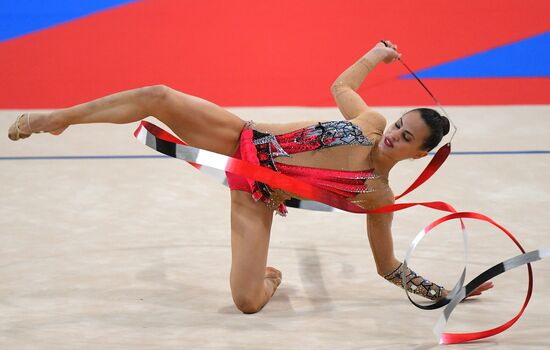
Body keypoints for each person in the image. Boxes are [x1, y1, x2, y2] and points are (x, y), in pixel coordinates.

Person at [8, 40, 493, 313]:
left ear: (418, 155)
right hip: (238, 137)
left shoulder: (375, 194)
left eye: (406, 139)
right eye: (401, 125)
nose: (394, 136)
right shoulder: (370, 122)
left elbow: (387, 266)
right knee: (159, 94)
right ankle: (56, 120)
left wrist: (449, 291)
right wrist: (376, 54)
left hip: (257, 195)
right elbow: (341, 85)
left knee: (246, 302)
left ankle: (269, 276)